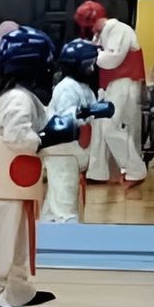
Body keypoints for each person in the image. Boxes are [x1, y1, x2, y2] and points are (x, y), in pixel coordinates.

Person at [0, 26, 77, 307]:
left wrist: (77, 118)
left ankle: (18, 290)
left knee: (16, 243)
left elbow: (44, 121)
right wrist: (44, 138)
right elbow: (17, 138)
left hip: (12, 184)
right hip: (3, 184)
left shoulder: (20, 96)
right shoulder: (18, 100)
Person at [43, 38, 112, 224]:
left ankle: (48, 238)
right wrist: (87, 111)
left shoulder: (83, 88)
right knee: (65, 207)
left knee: (55, 204)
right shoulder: (66, 88)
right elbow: (64, 122)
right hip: (62, 153)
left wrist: (99, 108)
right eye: (88, 64)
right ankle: (65, 244)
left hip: (73, 154)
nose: (92, 68)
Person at [74, 0, 145, 162]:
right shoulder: (99, 35)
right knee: (101, 127)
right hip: (108, 85)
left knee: (116, 126)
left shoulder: (120, 30)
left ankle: (131, 169)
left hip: (125, 83)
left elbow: (113, 58)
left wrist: (90, 54)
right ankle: (101, 171)